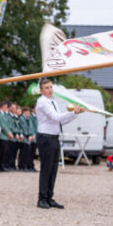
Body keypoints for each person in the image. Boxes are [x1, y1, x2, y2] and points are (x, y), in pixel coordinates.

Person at [35, 79, 83, 209]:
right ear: (41, 91)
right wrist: (72, 112)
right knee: (46, 168)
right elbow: (56, 117)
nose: (49, 90)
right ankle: (42, 198)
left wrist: (75, 114)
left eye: (51, 87)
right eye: (46, 88)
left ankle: (49, 197)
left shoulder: (53, 102)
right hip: (45, 137)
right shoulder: (42, 102)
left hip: (54, 137)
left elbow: (60, 121)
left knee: (53, 168)